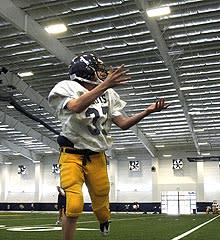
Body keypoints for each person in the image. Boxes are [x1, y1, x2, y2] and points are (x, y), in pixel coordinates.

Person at [48, 53, 169, 240]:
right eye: (98, 68)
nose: (103, 72)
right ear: (86, 72)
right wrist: (105, 85)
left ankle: (104, 220)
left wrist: (147, 111)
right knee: (73, 204)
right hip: (71, 154)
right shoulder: (66, 87)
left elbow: (124, 124)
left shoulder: (109, 94)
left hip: (97, 155)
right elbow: (76, 106)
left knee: (101, 203)